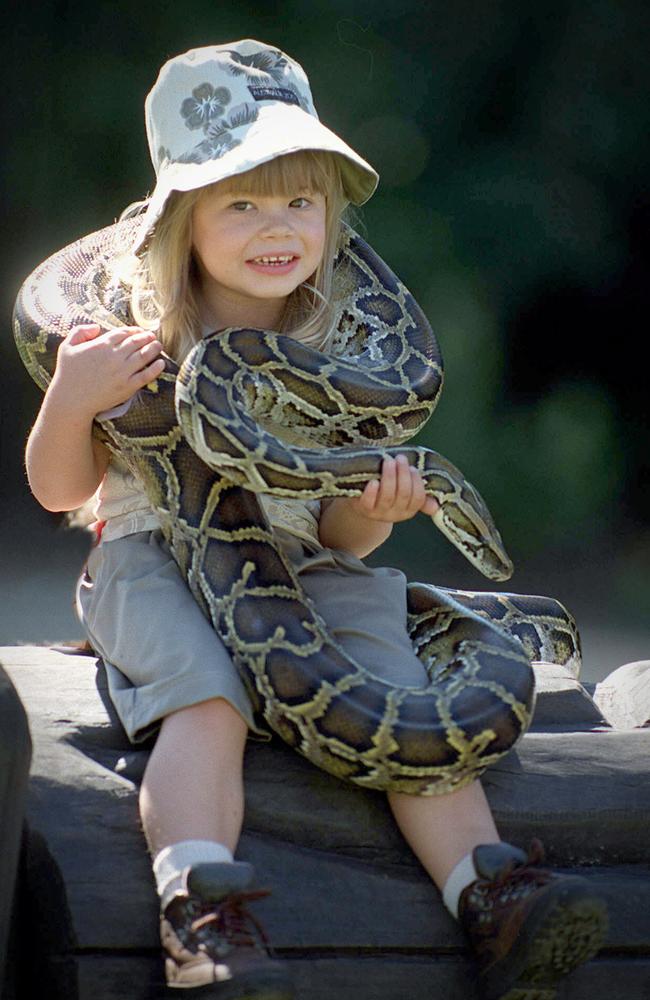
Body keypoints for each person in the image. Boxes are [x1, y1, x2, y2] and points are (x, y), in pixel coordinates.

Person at [24, 40, 608, 1000]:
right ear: (181, 222)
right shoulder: (128, 338)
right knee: (205, 700)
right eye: (242, 202)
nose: (276, 226)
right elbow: (58, 489)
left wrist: (373, 516)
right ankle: (200, 911)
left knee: (404, 697)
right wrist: (72, 399)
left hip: (309, 569)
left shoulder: (335, 349)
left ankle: (492, 896)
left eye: (301, 201)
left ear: (334, 217)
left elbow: (337, 540)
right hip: (151, 560)